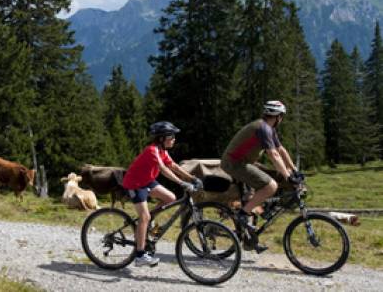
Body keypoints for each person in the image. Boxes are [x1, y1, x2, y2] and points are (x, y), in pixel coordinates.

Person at [221, 100, 302, 252]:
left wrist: (294, 169)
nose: (282, 119)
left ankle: (249, 240)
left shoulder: (268, 129)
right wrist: (287, 176)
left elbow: (281, 150)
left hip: (245, 163)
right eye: (282, 116)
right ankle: (243, 215)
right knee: (271, 185)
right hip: (234, 163)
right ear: (278, 116)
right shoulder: (262, 128)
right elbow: (273, 155)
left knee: (254, 197)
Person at [121, 121, 202, 267]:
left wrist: (192, 178)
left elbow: (173, 165)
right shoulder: (152, 150)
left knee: (170, 198)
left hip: (147, 181)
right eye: (171, 136)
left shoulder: (162, 150)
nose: (174, 139)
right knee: (144, 216)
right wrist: (181, 183)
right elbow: (163, 169)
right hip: (134, 183)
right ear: (161, 138)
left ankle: (146, 222)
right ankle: (140, 255)